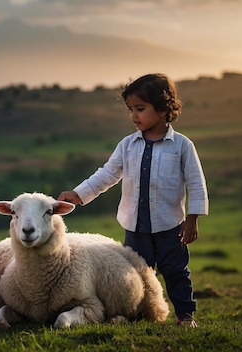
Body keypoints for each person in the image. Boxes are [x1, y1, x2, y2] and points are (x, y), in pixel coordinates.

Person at [58, 73, 208, 328]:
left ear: (163, 109)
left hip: (170, 226)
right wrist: (78, 194)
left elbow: (196, 183)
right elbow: (107, 175)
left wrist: (192, 219)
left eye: (140, 109)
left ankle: (185, 316)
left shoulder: (182, 146)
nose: (134, 116)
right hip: (135, 227)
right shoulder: (128, 145)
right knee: (137, 275)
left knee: (176, 272)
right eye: (131, 110)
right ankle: (137, 314)